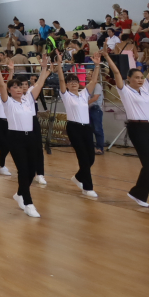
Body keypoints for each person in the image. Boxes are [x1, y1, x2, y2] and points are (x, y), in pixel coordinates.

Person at [106, 53, 149, 214]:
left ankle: (138, 193)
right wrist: (106, 57)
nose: (140, 79)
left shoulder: (145, 88)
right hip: (136, 129)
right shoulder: (124, 90)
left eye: (141, 77)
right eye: (136, 77)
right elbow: (116, 73)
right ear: (129, 79)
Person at [0, 56, 51, 218]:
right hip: (15, 138)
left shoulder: (28, 99)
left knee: (32, 169)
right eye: (14, 87)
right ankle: (28, 203)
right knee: (23, 169)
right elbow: (1, 84)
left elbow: (40, 83)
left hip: (31, 137)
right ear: (9, 90)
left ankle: (20, 193)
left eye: (20, 86)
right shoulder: (8, 102)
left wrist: (43, 68)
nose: (18, 89)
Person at [54, 58, 101, 197]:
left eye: (75, 81)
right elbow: (61, 81)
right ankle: (88, 187)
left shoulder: (84, 94)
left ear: (79, 83)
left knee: (91, 157)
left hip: (86, 128)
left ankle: (78, 177)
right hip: (74, 128)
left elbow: (93, 82)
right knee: (83, 158)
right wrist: (59, 66)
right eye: (70, 82)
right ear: (67, 85)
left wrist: (97, 65)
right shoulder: (66, 95)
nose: (73, 83)